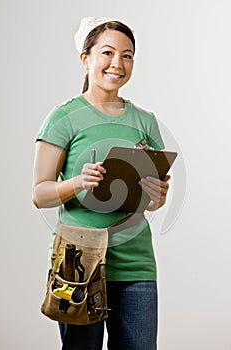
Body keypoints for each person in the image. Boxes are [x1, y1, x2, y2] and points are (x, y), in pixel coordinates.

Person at [32, 16, 170, 350]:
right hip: (78, 264)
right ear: (86, 58)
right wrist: (77, 183)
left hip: (135, 265)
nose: (117, 63)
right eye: (107, 52)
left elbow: (152, 202)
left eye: (127, 55)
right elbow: (40, 194)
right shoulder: (63, 117)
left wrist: (158, 195)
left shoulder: (145, 120)